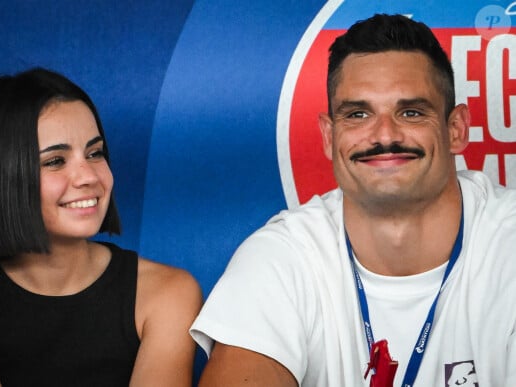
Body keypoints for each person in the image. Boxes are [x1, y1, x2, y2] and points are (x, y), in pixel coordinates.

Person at [190, 14, 516, 387]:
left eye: (411, 112)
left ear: (455, 129)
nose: (384, 135)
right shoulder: (284, 255)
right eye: (358, 114)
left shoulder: (508, 243)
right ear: (329, 137)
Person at [0, 68, 202, 387]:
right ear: (0, 176)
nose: (89, 176)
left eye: (95, 153)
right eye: (55, 161)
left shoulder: (168, 291)